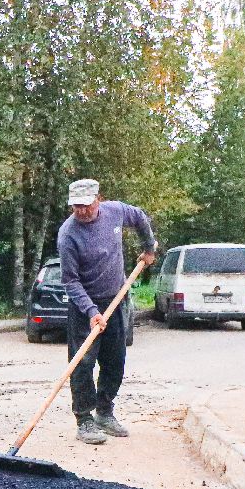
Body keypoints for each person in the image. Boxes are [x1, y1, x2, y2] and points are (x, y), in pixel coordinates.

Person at [56, 178, 158, 445]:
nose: (82, 211)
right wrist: (91, 311)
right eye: (76, 207)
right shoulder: (68, 235)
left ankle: (105, 411)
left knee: (115, 360)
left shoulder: (116, 211)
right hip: (85, 307)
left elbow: (140, 218)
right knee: (82, 363)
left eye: (86, 205)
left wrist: (149, 247)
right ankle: (85, 420)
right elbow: (70, 280)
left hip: (116, 298)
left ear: (98, 199)